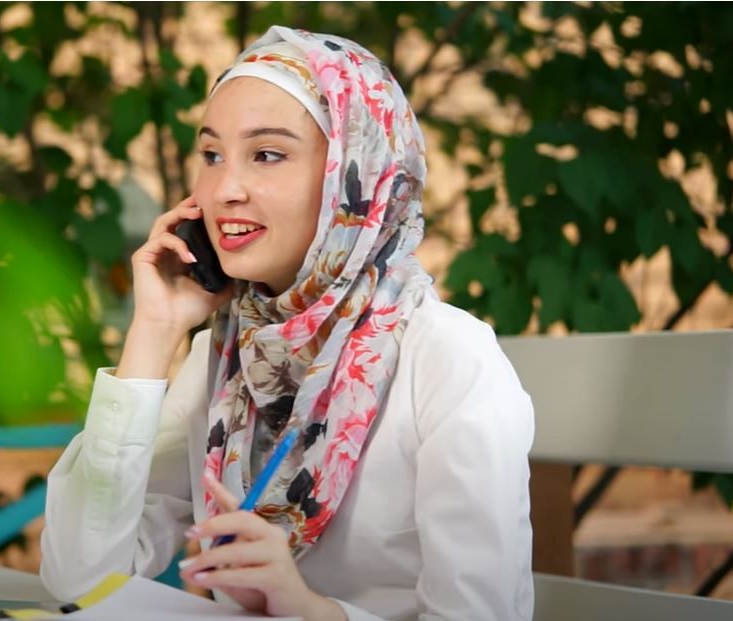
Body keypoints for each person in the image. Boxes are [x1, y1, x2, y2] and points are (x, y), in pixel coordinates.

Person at [39, 25, 535, 621]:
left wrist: (305, 609)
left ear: (355, 180)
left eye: (267, 154)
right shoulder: (224, 356)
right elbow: (82, 579)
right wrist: (154, 330)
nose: (226, 189)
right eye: (211, 155)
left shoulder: (450, 359)